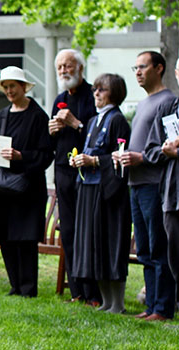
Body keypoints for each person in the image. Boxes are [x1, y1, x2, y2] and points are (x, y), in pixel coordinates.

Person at [0, 66, 54, 297]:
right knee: (6, 236)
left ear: (23, 87)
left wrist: (22, 156)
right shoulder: (0, 116)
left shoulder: (38, 116)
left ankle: (28, 287)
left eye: (13, 86)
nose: (9, 91)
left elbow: (46, 154)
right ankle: (15, 285)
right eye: (6, 87)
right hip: (3, 186)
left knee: (26, 238)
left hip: (28, 188)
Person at [118, 51, 176, 321]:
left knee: (158, 247)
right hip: (135, 182)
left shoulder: (168, 102)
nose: (138, 72)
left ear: (160, 68)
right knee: (143, 248)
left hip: (154, 183)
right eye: (135, 67)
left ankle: (163, 308)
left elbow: (168, 146)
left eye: (143, 67)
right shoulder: (143, 103)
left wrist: (142, 157)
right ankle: (152, 304)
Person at [70, 73, 132, 314]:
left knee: (109, 243)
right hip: (88, 188)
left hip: (107, 192)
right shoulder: (94, 120)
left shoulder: (118, 120)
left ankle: (118, 303)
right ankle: (106, 301)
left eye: (102, 90)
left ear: (114, 93)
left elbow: (121, 157)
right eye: (94, 89)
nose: (96, 93)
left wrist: (94, 160)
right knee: (94, 245)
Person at [48, 49, 103, 306]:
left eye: (68, 66)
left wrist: (75, 124)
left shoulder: (94, 96)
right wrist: (52, 130)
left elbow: (97, 136)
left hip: (88, 171)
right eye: (59, 67)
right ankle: (76, 291)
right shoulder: (59, 98)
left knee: (87, 231)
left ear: (80, 68)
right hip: (63, 171)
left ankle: (94, 293)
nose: (63, 72)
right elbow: (52, 140)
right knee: (68, 230)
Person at [145, 60, 179, 309]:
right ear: (176, 74)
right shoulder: (169, 108)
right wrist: (166, 151)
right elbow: (150, 151)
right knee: (174, 255)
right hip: (173, 196)